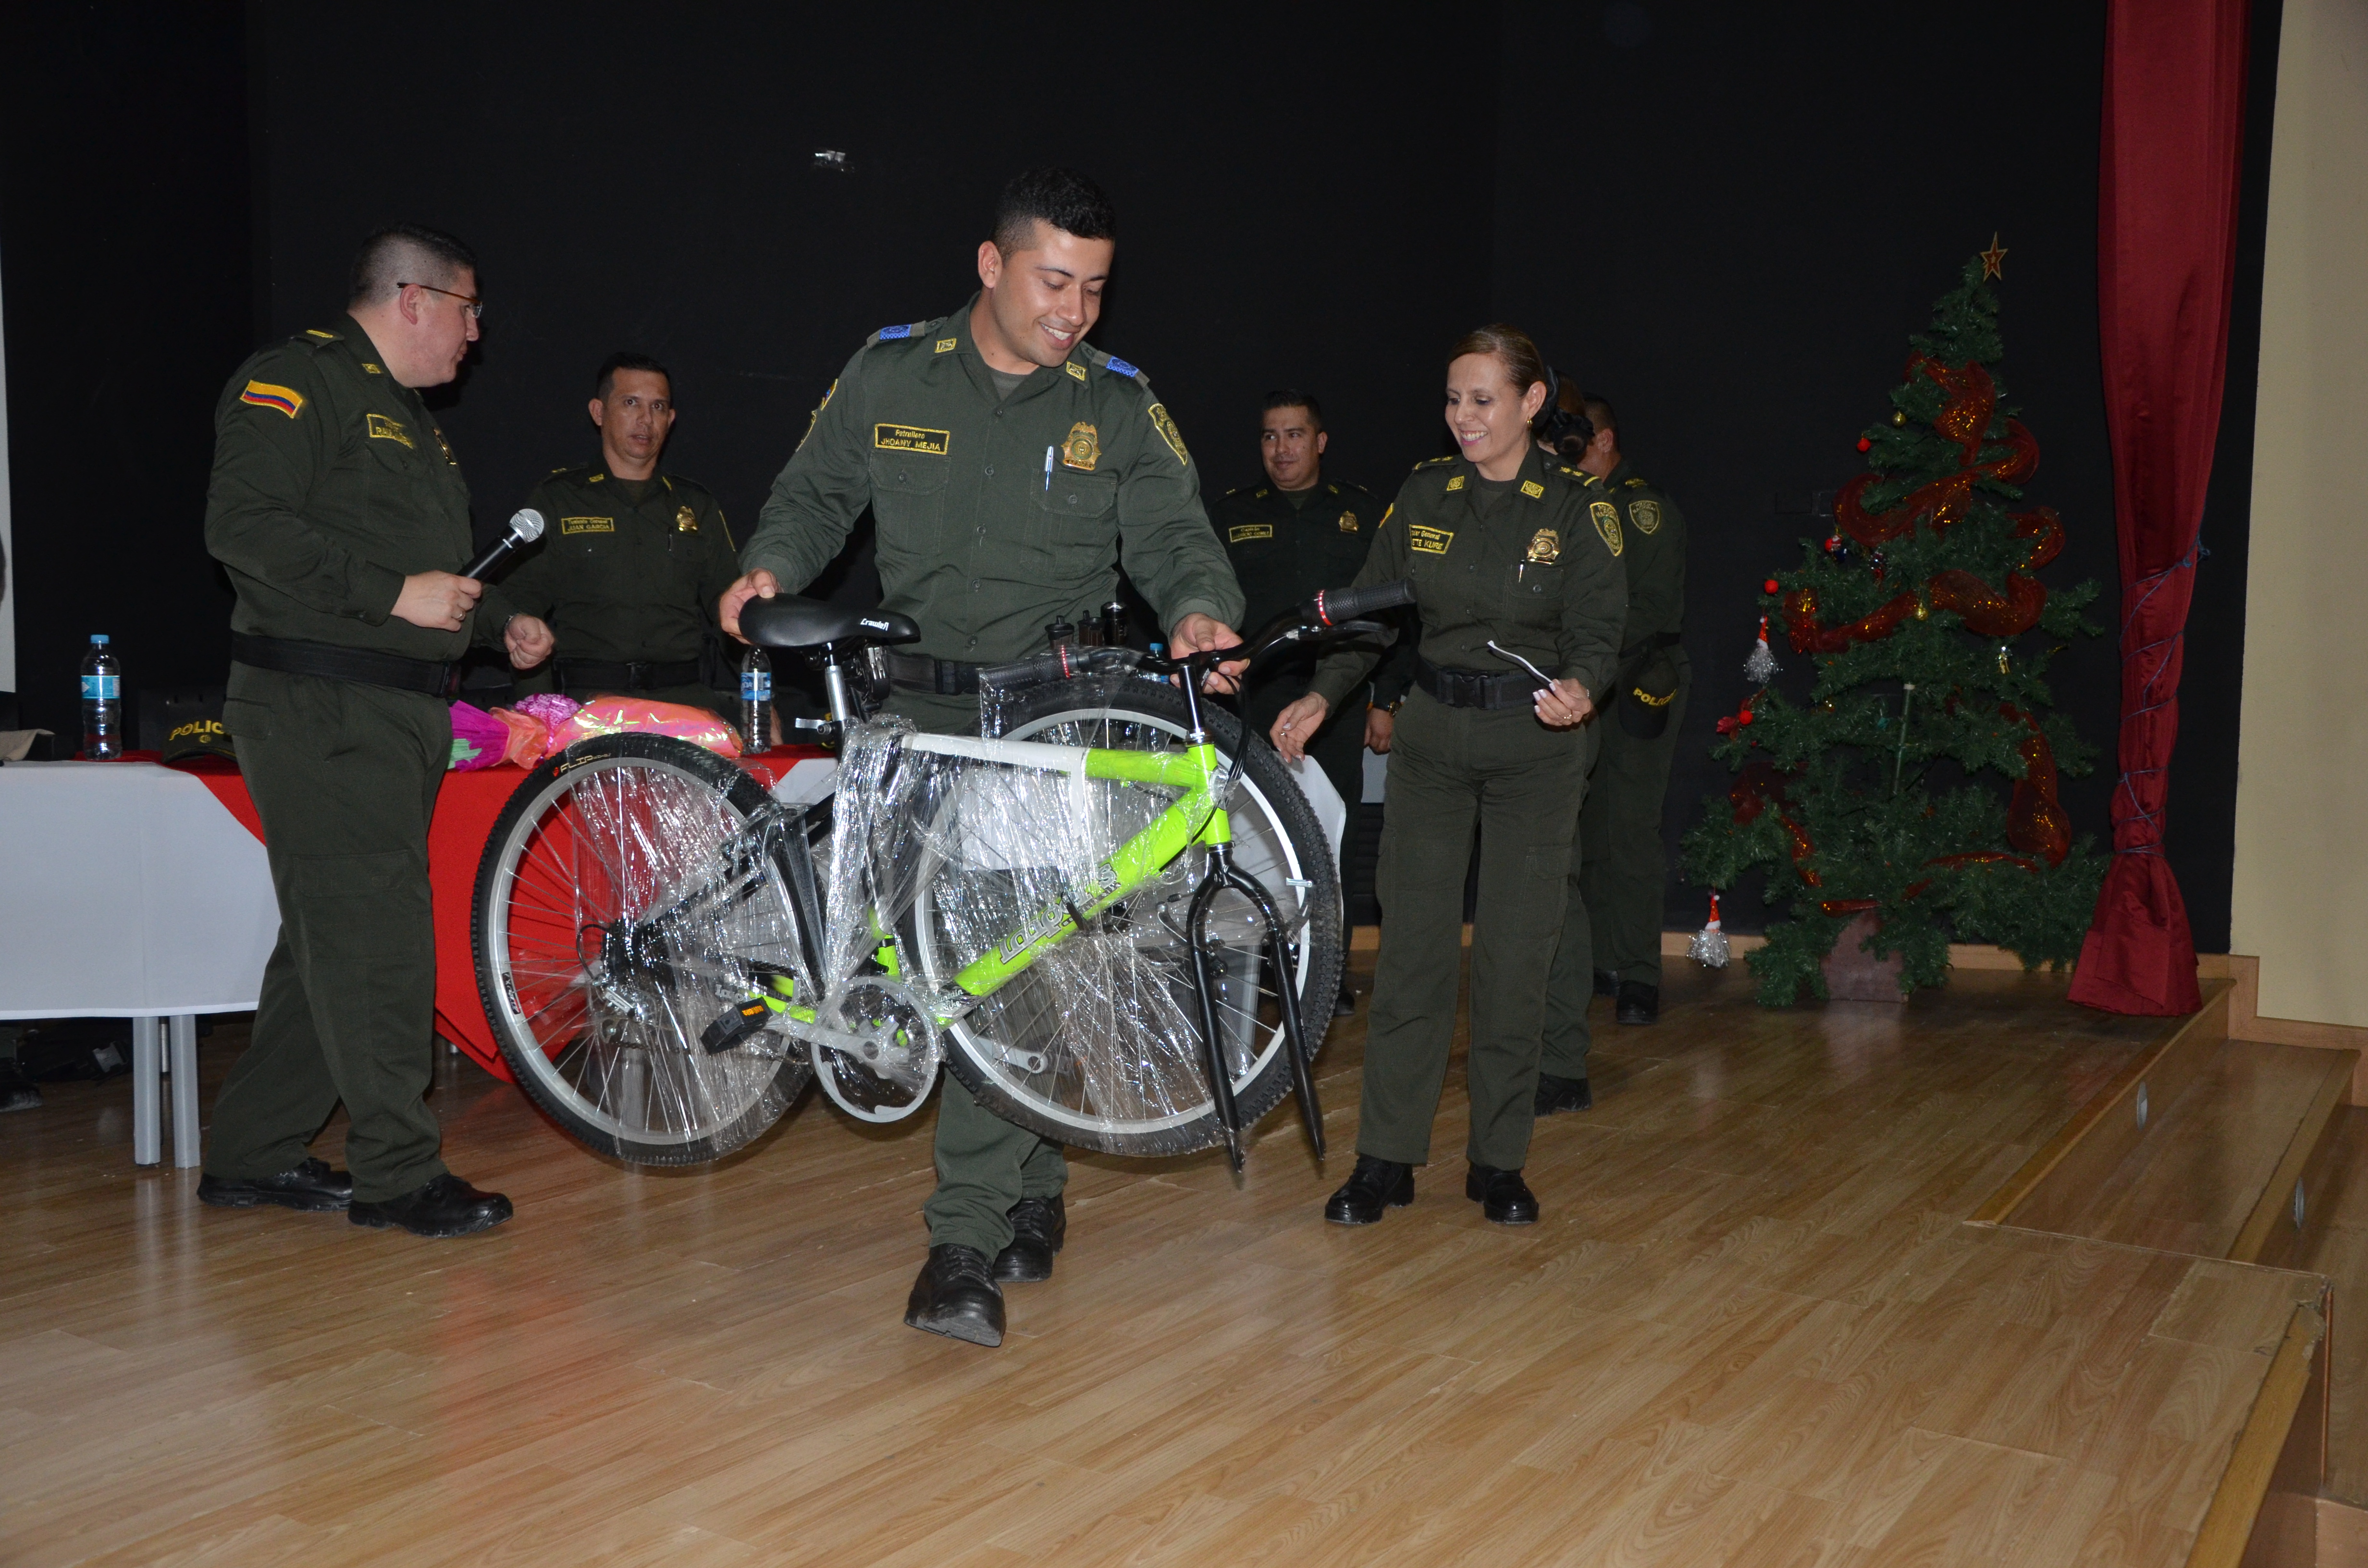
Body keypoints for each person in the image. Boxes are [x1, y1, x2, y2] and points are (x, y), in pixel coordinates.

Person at [719, 168, 1246, 1348]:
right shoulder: (892, 369)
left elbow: (1173, 531)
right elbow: (814, 494)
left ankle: (960, 1239)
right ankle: (1034, 1184)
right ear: (992, 265)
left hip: (1043, 723)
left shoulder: (1115, 403)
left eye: (1098, 289)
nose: (1078, 311)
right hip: (908, 715)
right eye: (1057, 281)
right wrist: (769, 566)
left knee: (1000, 960)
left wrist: (1201, 608)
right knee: (947, 956)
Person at [199, 223, 551, 1237]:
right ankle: (397, 1171)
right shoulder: (296, 382)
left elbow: (426, 583)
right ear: (412, 299)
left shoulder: (410, 420)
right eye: (466, 309)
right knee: (378, 935)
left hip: (395, 708)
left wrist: (494, 623)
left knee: (330, 938)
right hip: (319, 702)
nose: (475, 334)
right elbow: (245, 528)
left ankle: (252, 1154)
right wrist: (395, 592)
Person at [1271, 326, 1625, 1229]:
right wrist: (1322, 697)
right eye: (1451, 399)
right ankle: (1385, 1157)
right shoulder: (1424, 494)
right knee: (1413, 959)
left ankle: (1498, 1160)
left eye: (1481, 400)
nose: (1460, 417)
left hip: (1534, 754)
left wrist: (1581, 688)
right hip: (1432, 741)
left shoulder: (1578, 508)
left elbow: (1597, 633)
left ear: (1530, 403)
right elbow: (1366, 617)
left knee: (1513, 957)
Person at [1207, 390, 1398, 1015]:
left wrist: (1385, 699)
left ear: (1319, 441)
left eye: (1294, 435)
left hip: (1336, 696)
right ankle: (1252, 961)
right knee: (1245, 834)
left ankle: (1325, 967)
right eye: (1269, 436)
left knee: (1329, 834)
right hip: (1252, 698)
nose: (1281, 448)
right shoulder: (1232, 514)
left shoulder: (1361, 513)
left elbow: (1392, 612)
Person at [1536, 392, 1690, 1114]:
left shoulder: (1638, 509)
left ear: (1606, 440)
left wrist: (1590, 666)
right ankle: (1594, 962)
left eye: (1578, 439)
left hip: (1634, 680)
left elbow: (1649, 608)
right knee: (1583, 829)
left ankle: (1638, 974)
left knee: (1628, 825)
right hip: (1579, 684)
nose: (1569, 451)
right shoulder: (1566, 505)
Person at [502, 353, 740, 726]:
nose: (645, 420)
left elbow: (735, 613)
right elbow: (520, 618)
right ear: (599, 412)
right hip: (586, 706)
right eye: (631, 403)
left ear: (671, 420)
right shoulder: (560, 499)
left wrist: (762, 701)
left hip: (685, 705)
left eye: (658, 407)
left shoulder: (696, 505)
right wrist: (535, 712)